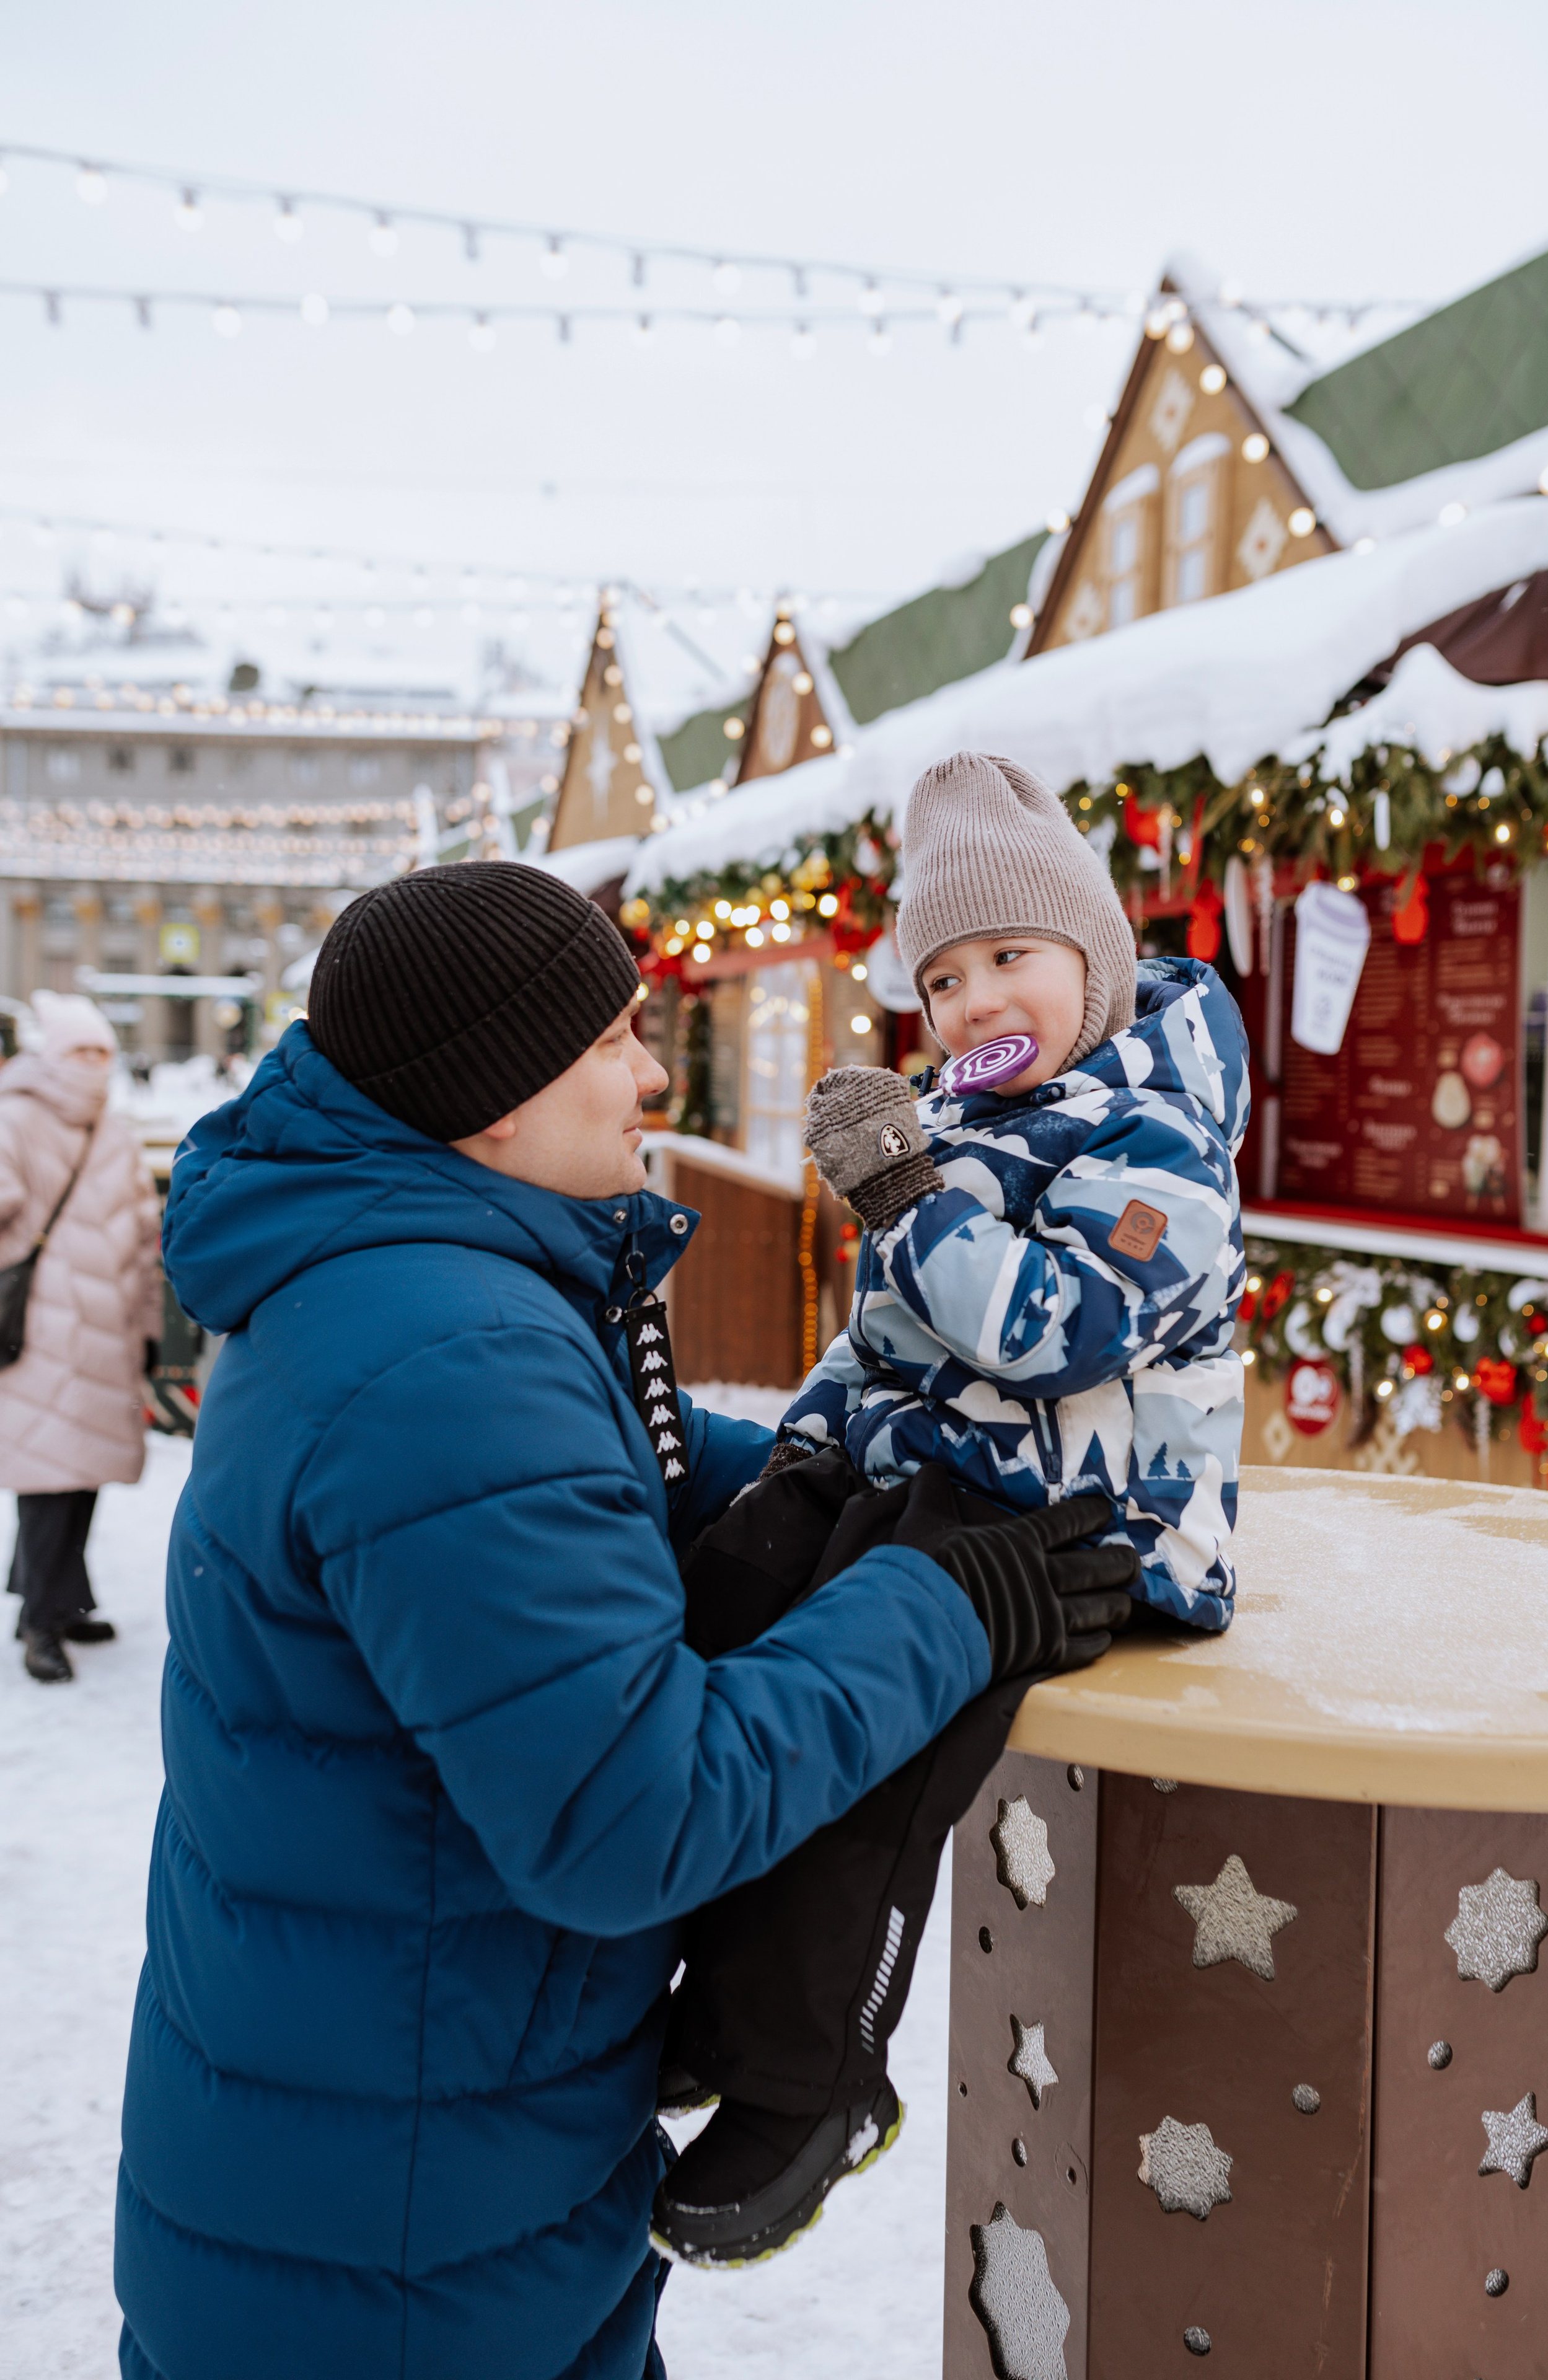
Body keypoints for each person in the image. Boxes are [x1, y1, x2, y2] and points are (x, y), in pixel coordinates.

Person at [114, 862, 1136, 2380]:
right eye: (610, 1040)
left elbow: (606, 1483)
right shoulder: (449, 1360)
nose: (653, 1076)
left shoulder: (400, 1279)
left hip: (391, 2164)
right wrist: (945, 1603)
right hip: (403, 2262)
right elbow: (628, 1814)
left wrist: (848, 1465)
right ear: (492, 1100)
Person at [652, 751, 1248, 2266]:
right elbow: (881, 1336)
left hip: (1092, 1520)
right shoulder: (958, 1128)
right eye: (941, 977)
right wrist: (803, 1457)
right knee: (735, 1590)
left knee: (876, 1722)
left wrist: (910, 1201)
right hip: (948, 1474)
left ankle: (814, 2079)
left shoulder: (1154, 1137)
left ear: (1092, 960)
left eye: (1008, 958)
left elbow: (1056, 1330)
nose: (975, 1002)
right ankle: (719, 1999)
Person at [0, 990, 162, 1683]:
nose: (92, 1064)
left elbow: (145, 1240)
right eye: (79, 1050)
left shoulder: (114, 1132)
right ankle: (41, 1619)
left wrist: (148, 1328)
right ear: (52, 1054)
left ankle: (58, 1602)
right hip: (42, 1329)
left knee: (83, 1473)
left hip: (107, 1331)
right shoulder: (15, 1118)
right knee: (48, 1474)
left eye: (102, 1051)